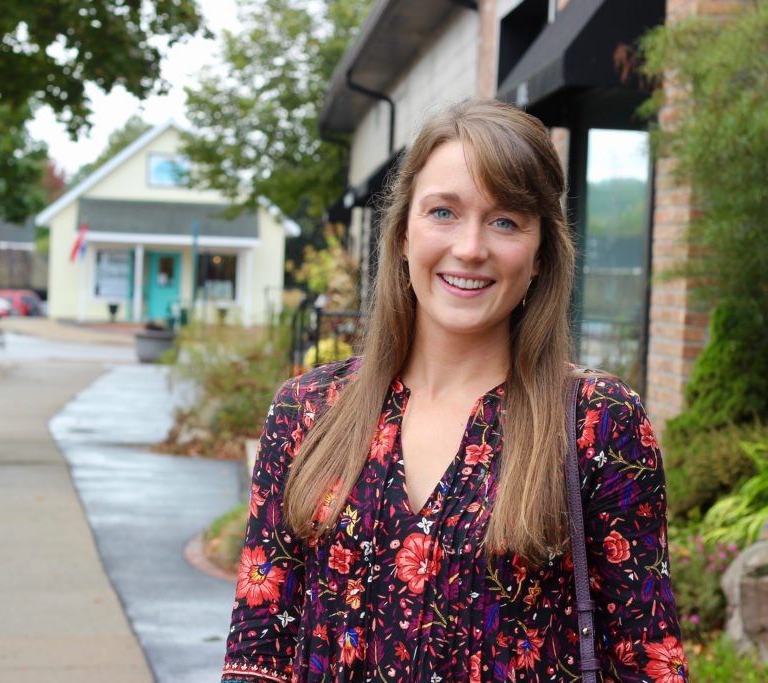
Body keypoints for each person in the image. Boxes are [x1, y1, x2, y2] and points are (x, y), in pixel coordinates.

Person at [221, 98, 688, 683]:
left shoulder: (596, 422)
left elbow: (649, 659)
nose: (470, 247)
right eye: (443, 212)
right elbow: (257, 655)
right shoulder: (307, 412)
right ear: (402, 235)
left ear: (541, 252)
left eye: (505, 221)